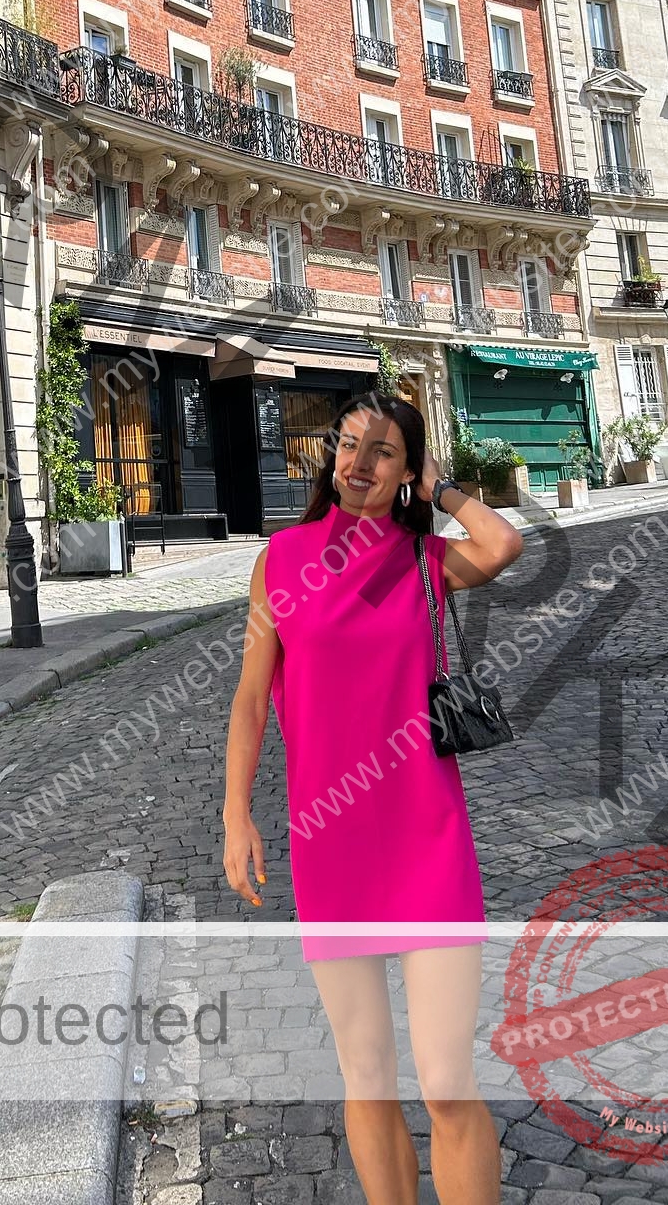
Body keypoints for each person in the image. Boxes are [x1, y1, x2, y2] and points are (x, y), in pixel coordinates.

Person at [222, 393, 525, 1205]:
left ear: (406, 471)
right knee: (367, 1075)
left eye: (383, 452)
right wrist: (235, 814)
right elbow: (250, 700)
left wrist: (441, 488)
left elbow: (504, 542)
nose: (359, 463)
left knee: (446, 1082)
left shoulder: (423, 561)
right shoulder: (282, 560)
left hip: (428, 836)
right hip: (331, 844)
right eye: (349, 445)